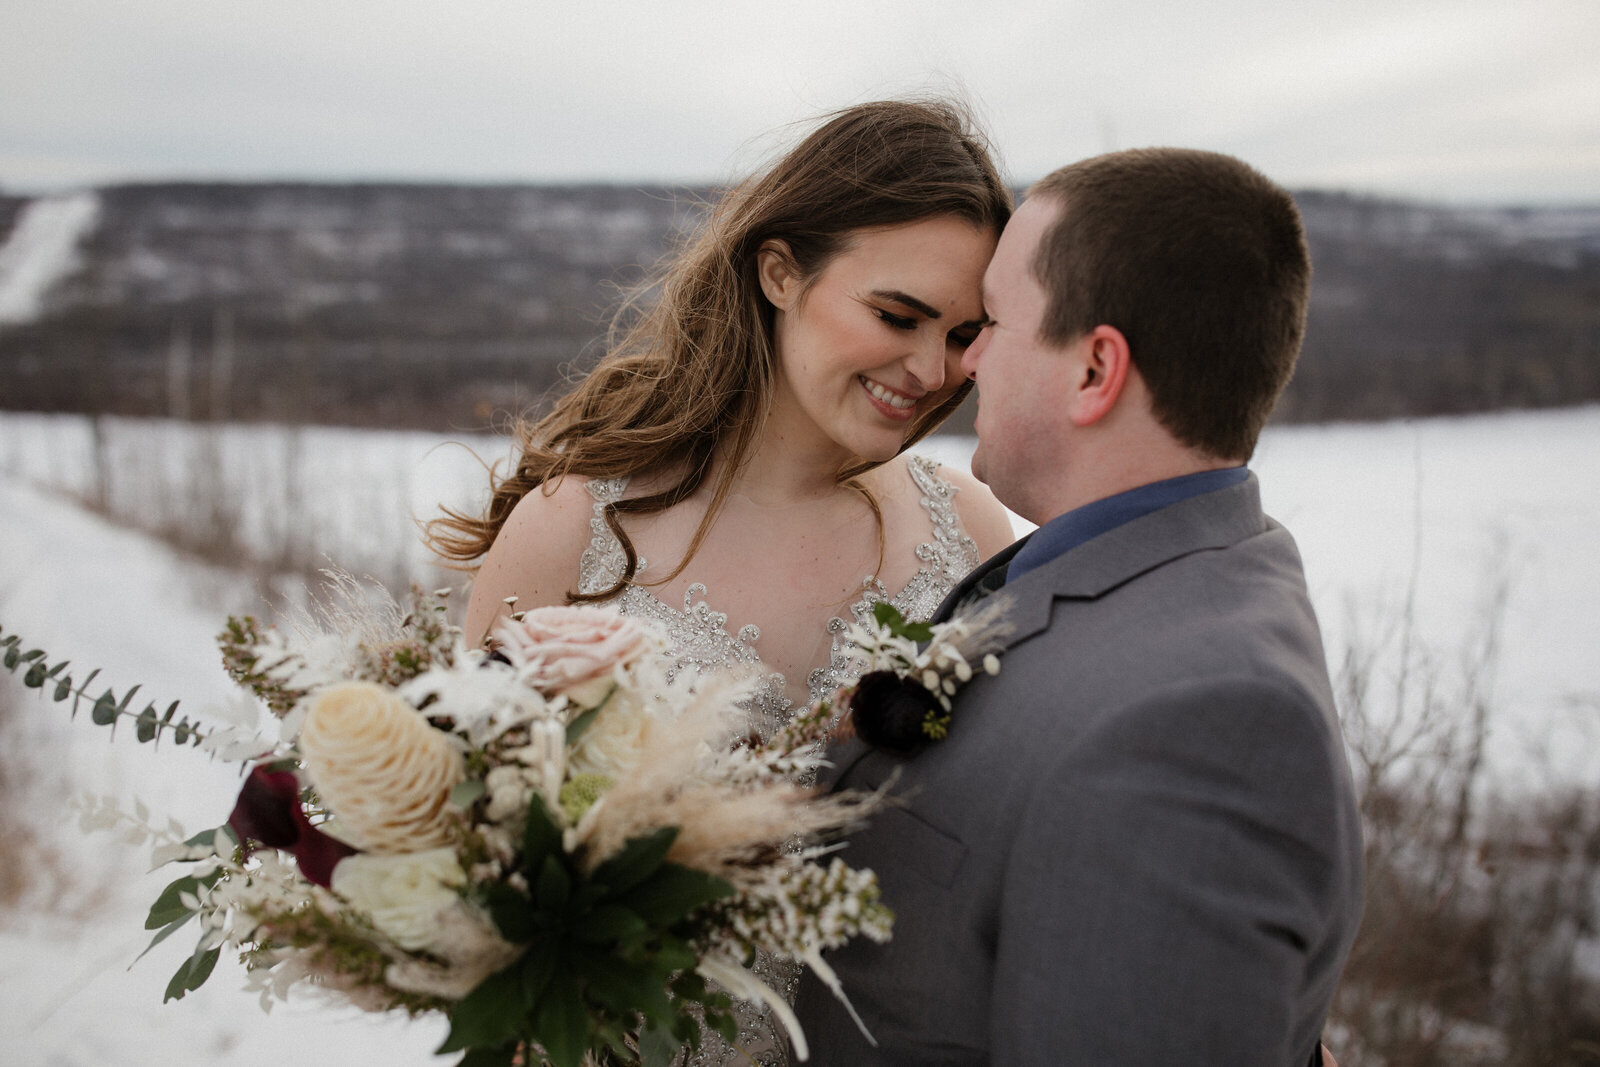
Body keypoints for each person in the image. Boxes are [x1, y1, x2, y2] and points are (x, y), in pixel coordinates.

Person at [430, 99, 1018, 1066]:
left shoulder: (970, 533)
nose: (929, 369)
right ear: (780, 270)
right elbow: (471, 882)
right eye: (897, 315)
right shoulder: (571, 532)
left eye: (964, 335)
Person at [794, 148, 1365, 1065]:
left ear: (1096, 370)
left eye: (997, 324)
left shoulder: (1204, 727)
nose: (965, 360)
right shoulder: (1123, 571)